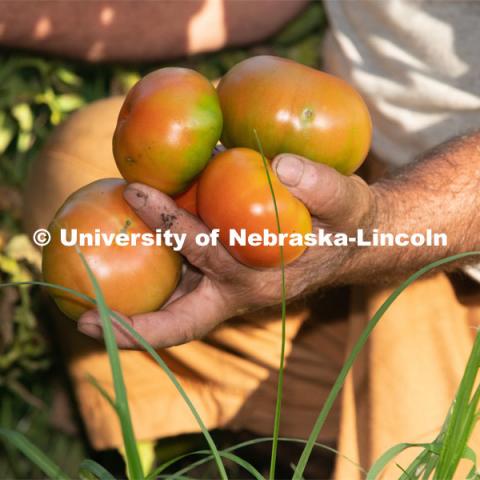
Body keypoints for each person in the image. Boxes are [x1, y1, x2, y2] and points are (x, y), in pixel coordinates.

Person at [22, 1, 480, 478]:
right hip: (348, 166)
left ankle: (338, 427)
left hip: (459, 241)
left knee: (419, 461)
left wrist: (380, 229)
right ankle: (321, 418)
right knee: (78, 161)